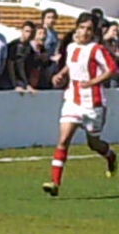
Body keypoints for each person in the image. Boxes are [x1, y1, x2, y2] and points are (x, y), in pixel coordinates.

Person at [42, 13, 118, 197]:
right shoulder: (71, 47)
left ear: (93, 32)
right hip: (73, 100)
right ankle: (55, 183)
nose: (85, 32)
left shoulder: (97, 49)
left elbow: (112, 69)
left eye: (89, 29)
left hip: (93, 104)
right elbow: (71, 64)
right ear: (76, 28)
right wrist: (61, 74)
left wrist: (92, 82)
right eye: (82, 28)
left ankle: (110, 156)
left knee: (94, 143)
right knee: (63, 140)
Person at [6, 21, 36, 94]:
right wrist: (15, 85)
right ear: (22, 31)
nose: (29, 34)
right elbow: (10, 66)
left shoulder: (31, 49)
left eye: (31, 32)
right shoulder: (13, 46)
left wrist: (28, 84)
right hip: (12, 82)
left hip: (24, 83)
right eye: (27, 31)